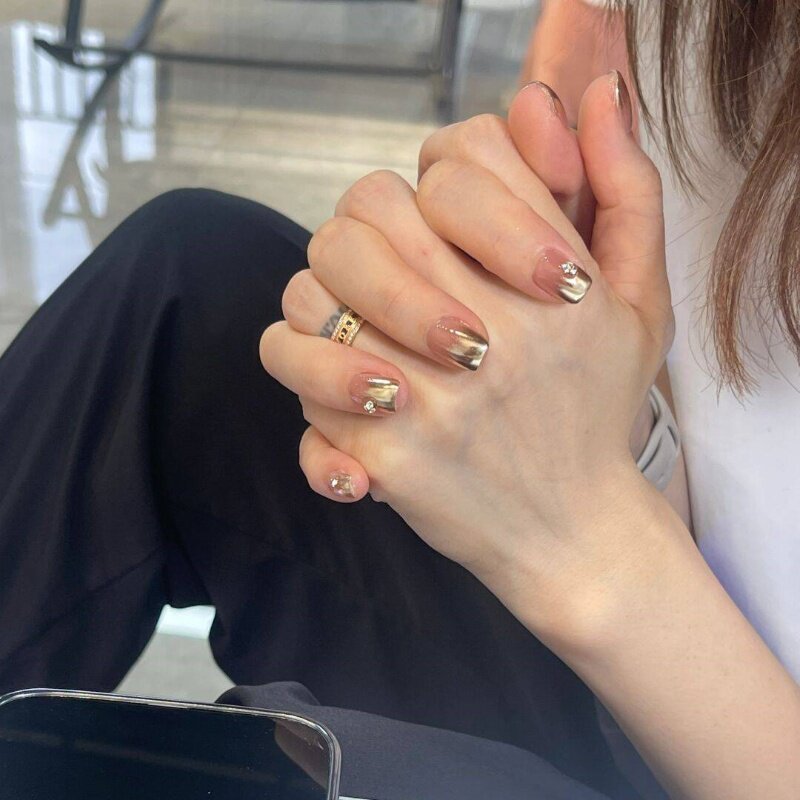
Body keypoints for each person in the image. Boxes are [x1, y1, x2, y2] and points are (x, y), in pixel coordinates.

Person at [1, 2, 799, 800]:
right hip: (667, 608)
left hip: (717, 729)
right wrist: (614, 414)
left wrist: (591, 533)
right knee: (195, 271)